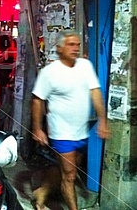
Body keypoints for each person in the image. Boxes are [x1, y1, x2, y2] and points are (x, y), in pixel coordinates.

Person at [30, 30, 110, 210]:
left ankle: (42, 192)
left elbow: (95, 91)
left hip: (81, 131)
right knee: (70, 175)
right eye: (71, 45)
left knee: (66, 169)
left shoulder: (85, 65)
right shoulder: (50, 72)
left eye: (77, 45)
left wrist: (103, 120)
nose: (75, 48)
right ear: (59, 48)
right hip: (61, 132)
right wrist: (37, 128)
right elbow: (37, 99)